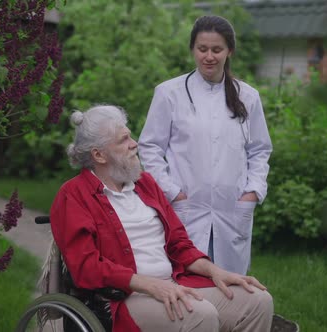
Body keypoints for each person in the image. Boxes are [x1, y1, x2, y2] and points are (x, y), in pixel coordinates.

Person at [50, 104, 273, 332]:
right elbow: (86, 267)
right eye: (123, 140)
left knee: (257, 301)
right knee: (199, 315)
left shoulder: (144, 184)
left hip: (174, 283)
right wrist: (149, 285)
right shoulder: (74, 196)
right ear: (98, 155)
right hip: (124, 297)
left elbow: (179, 244)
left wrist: (218, 272)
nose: (134, 143)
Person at [138, 15, 272, 275]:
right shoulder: (169, 93)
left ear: (229, 51)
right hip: (187, 211)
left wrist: (253, 192)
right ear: (192, 50)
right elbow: (150, 147)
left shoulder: (248, 97)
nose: (209, 56)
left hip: (233, 212)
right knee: (189, 290)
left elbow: (260, 150)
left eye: (217, 49)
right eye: (202, 49)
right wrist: (172, 192)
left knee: (233, 292)